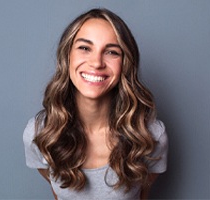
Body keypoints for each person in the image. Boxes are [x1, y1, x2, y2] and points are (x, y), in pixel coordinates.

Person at [23, 8, 168, 199]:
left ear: (125, 63)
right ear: (68, 56)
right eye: (84, 48)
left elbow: (143, 195)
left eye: (111, 52)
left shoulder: (150, 136)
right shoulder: (40, 133)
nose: (96, 62)